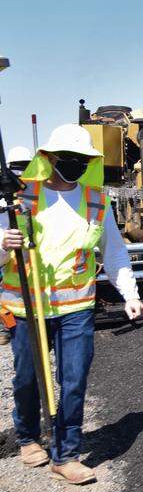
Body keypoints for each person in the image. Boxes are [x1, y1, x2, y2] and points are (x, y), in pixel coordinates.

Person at [0, 125, 143, 485]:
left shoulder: (96, 200)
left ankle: (66, 453)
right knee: (28, 378)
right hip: (27, 305)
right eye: (68, 159)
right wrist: (5, 244)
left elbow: (113, 252)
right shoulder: (19, 198)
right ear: (48, 159)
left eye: (82, 160)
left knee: (74, 379)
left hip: (77, 307)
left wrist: (130, 294)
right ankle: (28, 437)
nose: (75, 165)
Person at [0, 146, 33, 346]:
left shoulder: (34, 194)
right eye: (17, 168)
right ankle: (5, 329)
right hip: (6, 253)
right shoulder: (6, 195)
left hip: (24, 254)